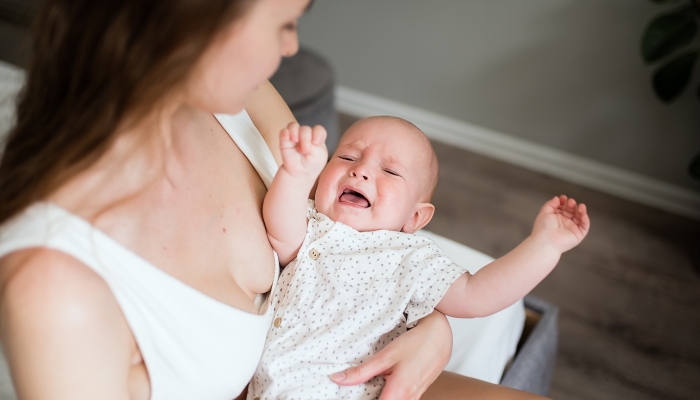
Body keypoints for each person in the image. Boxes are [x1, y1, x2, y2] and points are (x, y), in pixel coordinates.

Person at [0, 0, 551, 399]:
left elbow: (348, 249)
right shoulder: (56, 286)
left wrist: (434, 326)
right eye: (284, 23)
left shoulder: (244, 105)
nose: (290, 48)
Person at [252, 116, 590, 399]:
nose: (362, 171)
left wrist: (545, 246)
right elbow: (279, 230)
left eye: (391, 171)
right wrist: (295, 175)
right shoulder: (312, 223)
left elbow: (477, 295)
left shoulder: (411, 258)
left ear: (414, 218)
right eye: (348, 158)